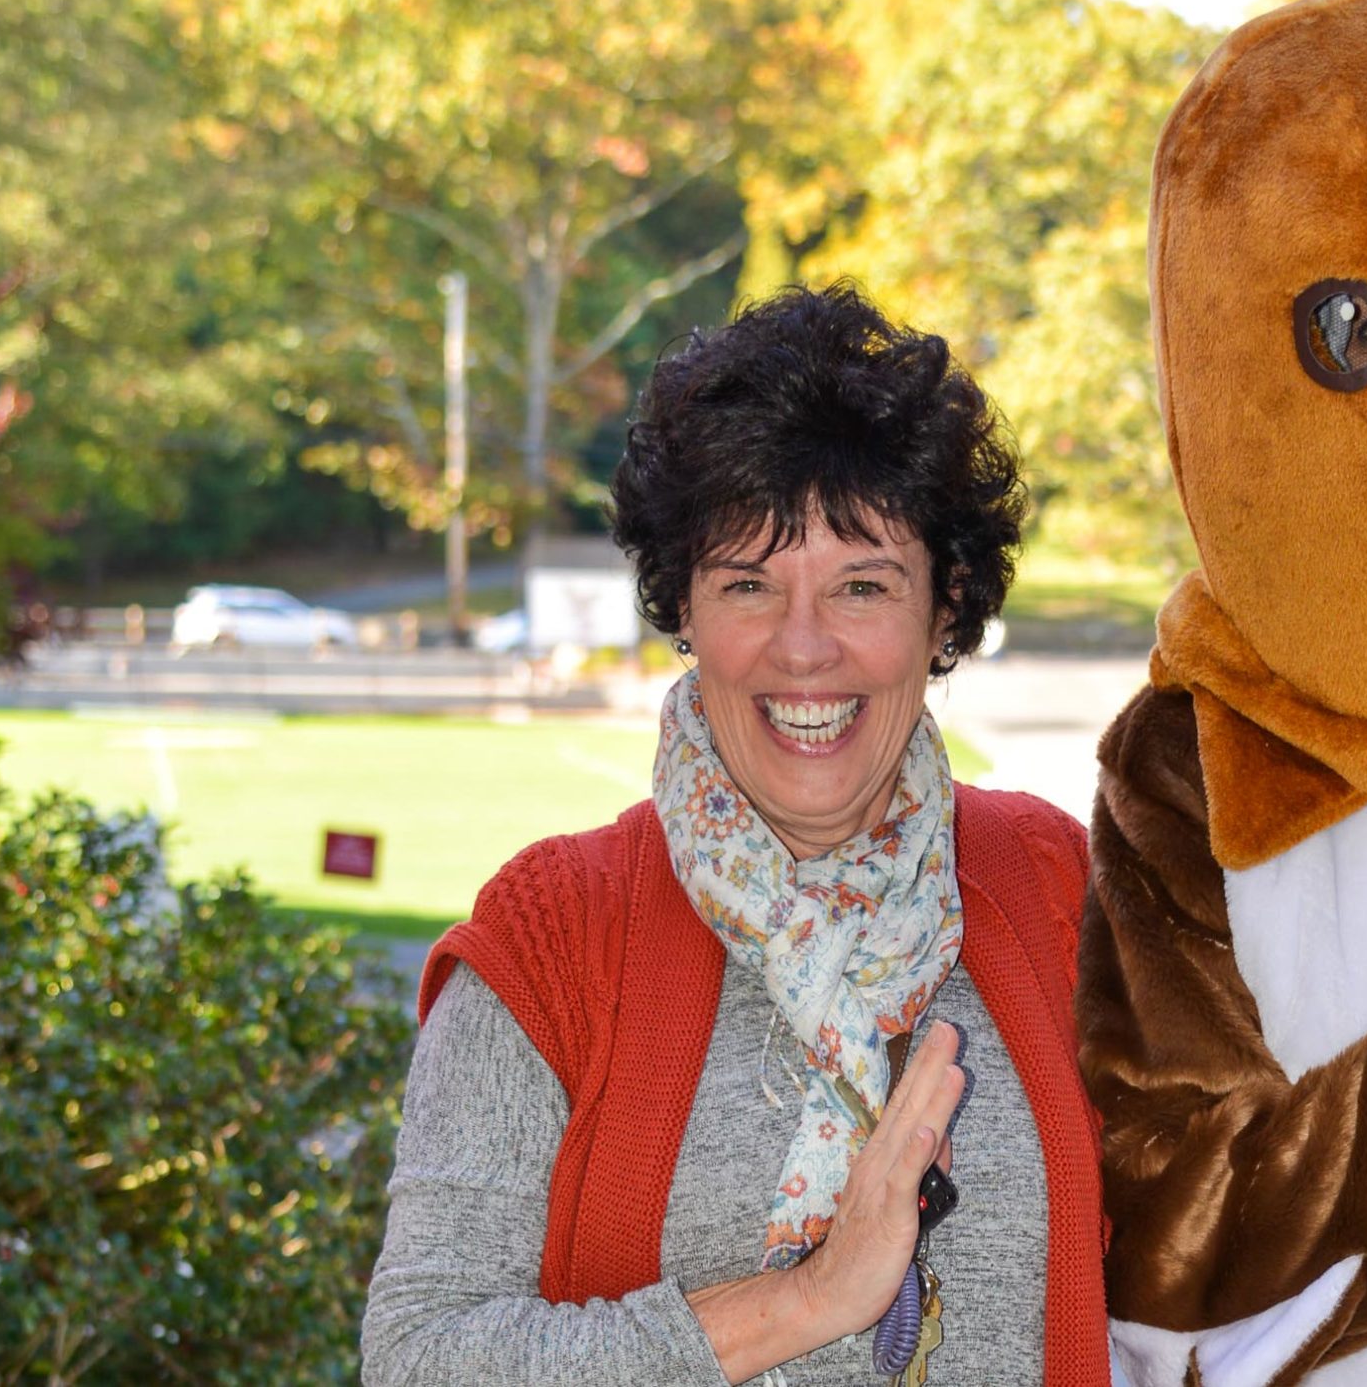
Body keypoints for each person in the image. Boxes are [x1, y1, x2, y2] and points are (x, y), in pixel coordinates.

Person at [361, 283, 1108, 1386]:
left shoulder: (1053, 886)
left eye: (862, 584)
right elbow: (421, 1357)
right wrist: (806, 1298)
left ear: (945, 607)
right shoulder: (557, 933)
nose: (802, 650)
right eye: (747, 583)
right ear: (685, 609)